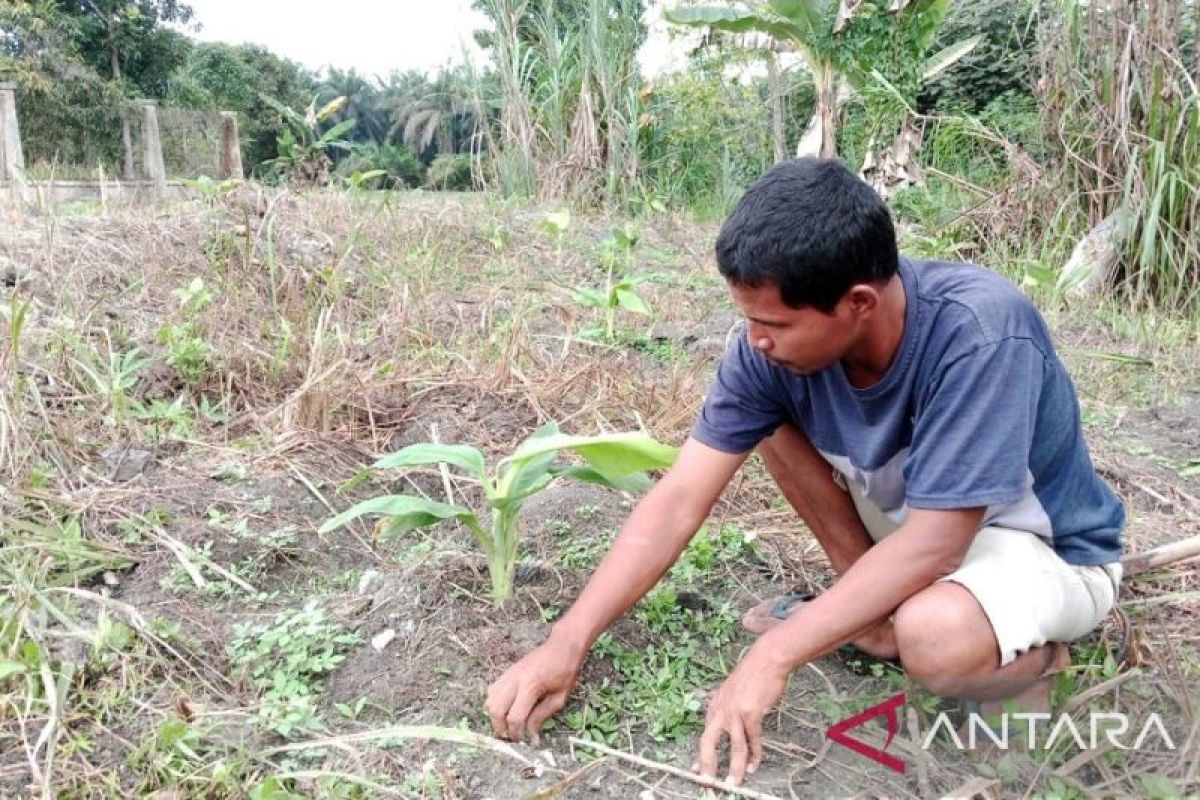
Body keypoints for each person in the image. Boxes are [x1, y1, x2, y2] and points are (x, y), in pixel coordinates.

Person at [485, 158, 1124, 785]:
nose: (755, 340)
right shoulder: (768, 355)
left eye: (773, 324)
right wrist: (569, 639)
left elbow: (938, 543)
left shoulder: (979, 334)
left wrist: (777, 653)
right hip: (921, 529)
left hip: (1042, 549)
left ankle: (1034, 664)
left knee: (934, 636)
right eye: (748, 319)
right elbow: (680, 496)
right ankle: (872, 621)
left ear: (858, 303)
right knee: (769, 427)